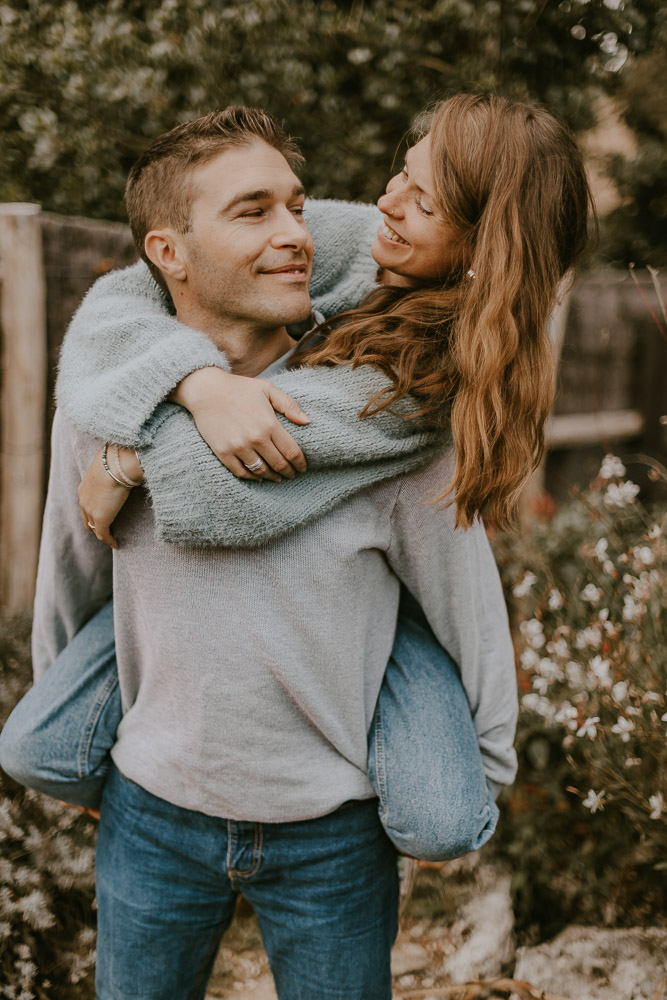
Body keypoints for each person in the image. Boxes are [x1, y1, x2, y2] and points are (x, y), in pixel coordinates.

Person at [0, 96, 592, 999]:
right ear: (169, 253)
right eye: (256, 211)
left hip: (329, 833)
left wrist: (471, 781)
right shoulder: (113, 393)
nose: (299, 230)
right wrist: (186, 385)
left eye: (296, 203)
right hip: (151, 813)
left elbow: (460, 603)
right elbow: (72, 584)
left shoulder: (393, 411)